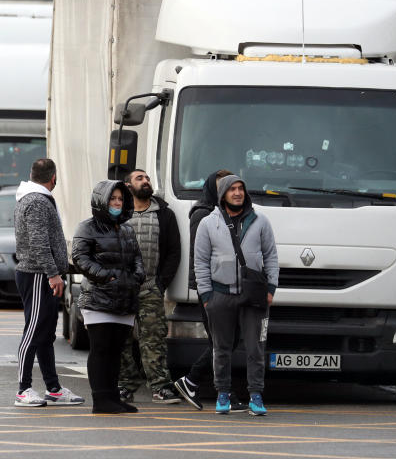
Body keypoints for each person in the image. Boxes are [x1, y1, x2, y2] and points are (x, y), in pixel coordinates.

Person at [194, 174, 278, 416]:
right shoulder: (208, 223)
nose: (238, 193)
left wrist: (271, 288)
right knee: (221, 348)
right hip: (220, 294)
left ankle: (256, 396)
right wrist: (206, 295)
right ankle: (222, 393)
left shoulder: (260, 220)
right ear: (223, 195)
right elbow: (200, 261)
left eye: (241, 188)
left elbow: (271, 256)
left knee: (255, 348)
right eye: (232, 189)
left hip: (254, 296)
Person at [175, 169, 247, 412]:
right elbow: (201, 256)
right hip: (211, 290)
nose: (225, 191)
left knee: (224, 341)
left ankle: (211, 388)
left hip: (228, 289)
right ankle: (196, 382)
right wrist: (205, 293)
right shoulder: (203, 215)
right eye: (220, 187)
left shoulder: (225, 215)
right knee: (222, 342)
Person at [13, 158, 84, 407]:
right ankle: (23, 389)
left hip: (40, 273)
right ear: (53, 178)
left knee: (44, 335)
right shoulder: (37, 201)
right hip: (36, 274)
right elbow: (38, 242)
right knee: (33, 332)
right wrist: (53, 274)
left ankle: (53, 388)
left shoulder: (33, 198)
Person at [72, 180, 146, 414]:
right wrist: (106, 277)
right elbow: (80, 258)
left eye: (120, 199)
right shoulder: (87, 227)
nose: (116, 202)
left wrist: (137, 277)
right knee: (101, 349)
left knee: (116, 350)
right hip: (98, 299)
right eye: (112, 198)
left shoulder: (126, 228)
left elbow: (136, 258)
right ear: (101, 200)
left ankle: (113, 397)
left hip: (124, 299)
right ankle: (100, 399)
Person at [116, 169, 183, 404]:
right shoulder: (118, 215)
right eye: (139, 178)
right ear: (127, 186)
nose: (145, 181)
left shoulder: (164, 214)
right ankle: (125, 385)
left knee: (153, 339)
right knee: (121, 340)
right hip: (122, 290)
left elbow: (174, 252)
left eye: (147, 178)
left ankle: (160, 386)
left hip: (150, 287)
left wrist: (161, 283)